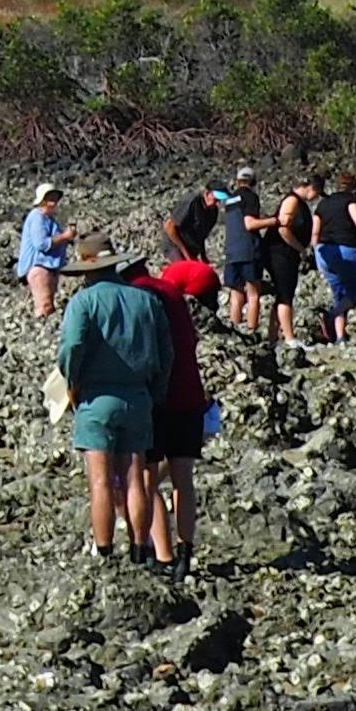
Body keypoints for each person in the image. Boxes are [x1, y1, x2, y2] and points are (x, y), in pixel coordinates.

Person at [51, 241, 169, 556]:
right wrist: (154, 393)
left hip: (96, 399)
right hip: (138, 396)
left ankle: (104, 552)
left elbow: (73, 346)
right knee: (135, 480)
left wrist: (71, 379)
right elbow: (166, 355)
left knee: (101, 482)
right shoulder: (146, 301)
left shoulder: (83, 302)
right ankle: (139, 549)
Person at [134, 198, 218, 564]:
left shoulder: (139, 298)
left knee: (149, 479)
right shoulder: (171, 292)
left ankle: (162, 554)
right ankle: (186, 552)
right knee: (184, 478)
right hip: (190, 394)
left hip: (160, 399)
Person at [308, 169, 356, 343]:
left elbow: (315, 233)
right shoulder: (351, 200)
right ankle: (330, 316)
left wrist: (314, 253)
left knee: (341, 295)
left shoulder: (323, 204)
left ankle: (339, 337)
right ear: (354, 189)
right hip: (345, 249)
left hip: (323, 252)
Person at [261, 177, 318, 353]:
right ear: (310, 187)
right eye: (316, 192)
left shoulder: (297, 201)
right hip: (280, 254)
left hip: (283, 254)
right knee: (286, 294)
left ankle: (273, 337)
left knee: (282, 294)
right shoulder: (292, 201)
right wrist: (300, 249)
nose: (316, 197)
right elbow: (283, 227)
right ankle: (289, 338)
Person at [216, 167, 271, 331]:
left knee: (236, 294)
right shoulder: (250, 197)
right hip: (248, 250)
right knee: (253, 294)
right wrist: (273, 221)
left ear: (237, 181)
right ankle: (251, 330)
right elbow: (250, 223)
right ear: (253, 182)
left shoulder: (230, 200)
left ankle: (235, 330)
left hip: (231, 251)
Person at [15, 185, 72, 320]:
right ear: (42, 199)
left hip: (49, 267)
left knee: (48, 305)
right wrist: (65, 236)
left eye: (54, 196)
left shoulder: (50, 219)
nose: (53, 200)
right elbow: (41, 244)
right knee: (44, 305)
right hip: (39, 267)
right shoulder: (37, 217)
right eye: (49, 196)